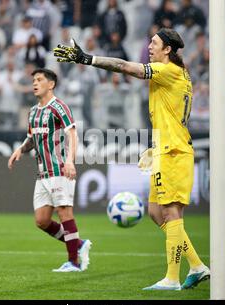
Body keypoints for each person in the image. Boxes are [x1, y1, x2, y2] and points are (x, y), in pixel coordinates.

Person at [54, 28, 210, 290]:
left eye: (154, 42)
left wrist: (86, 59)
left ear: (167, 49)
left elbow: (125, 67)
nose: (149, 46)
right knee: (155, 212)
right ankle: (196, 266)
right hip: (164, 148)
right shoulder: (174, 74)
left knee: (171, 213)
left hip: (174, 150)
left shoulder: (168, 70)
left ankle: (172, 278)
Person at [8, 68, 92, 272]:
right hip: (43, 173)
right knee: (42, 220)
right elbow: (32, 138)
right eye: (33, 80)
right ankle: (79, 244)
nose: (34, 83)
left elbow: (72, 134)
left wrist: (70, 161)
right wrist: (20, 149)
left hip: (60, 169)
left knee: (64, 213)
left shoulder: (59, 107)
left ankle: (74, 262)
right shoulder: (34, 111)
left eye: (39, 80)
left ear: (51, 84)